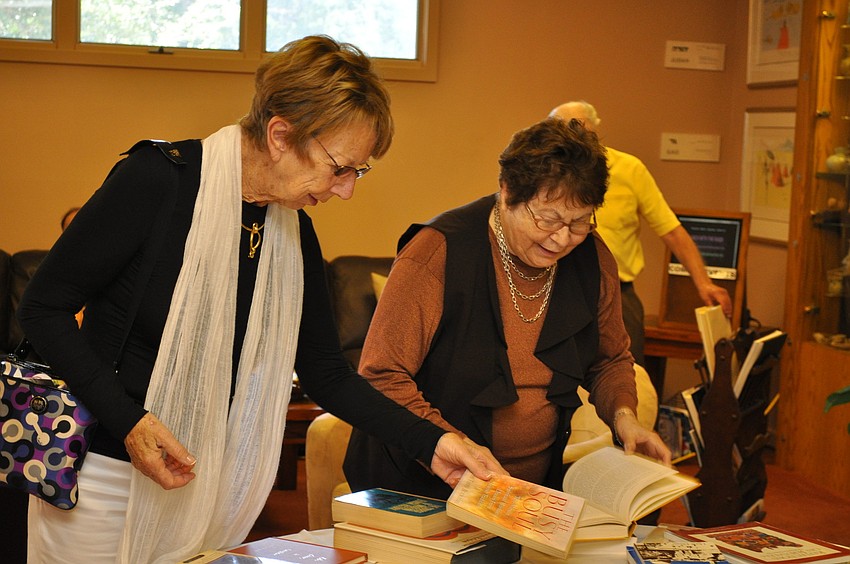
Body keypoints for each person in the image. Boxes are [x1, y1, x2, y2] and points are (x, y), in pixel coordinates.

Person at [17, 35, 504, 564]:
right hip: (103, 476)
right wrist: (130, 422)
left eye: (357, 173)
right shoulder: (157, 180)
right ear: (279, 134)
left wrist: (432, 443)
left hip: (206, 485)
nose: (346, 190)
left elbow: (327, 374)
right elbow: (43, 308)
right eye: (340, 167)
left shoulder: (295, 234)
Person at [343, 117, 671, 501]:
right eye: (547, 219)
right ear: (506, 192)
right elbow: (382, 374)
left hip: (528, 495)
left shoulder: (592, 259)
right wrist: (444, 441)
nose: (563, 238)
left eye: (579, 222)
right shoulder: (438, 253)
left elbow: (610, 357)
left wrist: (624, 417)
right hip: (419, 485)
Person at [548, 101, 732, 366]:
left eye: (579, 131)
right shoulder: (544, 170)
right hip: (556, 290)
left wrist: (704, 283)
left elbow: (672, 231)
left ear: (594, 132)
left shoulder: (629, 169)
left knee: (628, 377)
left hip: (617, 295)